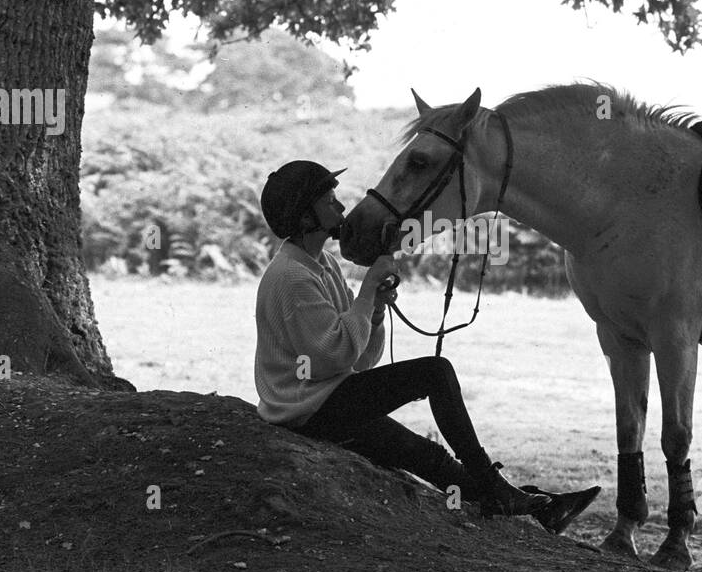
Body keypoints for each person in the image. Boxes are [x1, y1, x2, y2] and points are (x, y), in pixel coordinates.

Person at [253, 159, 600, 533]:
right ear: (305, 217)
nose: (339, 207)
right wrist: (367, 292)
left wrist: (374, 312)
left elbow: (355, 361)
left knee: (430, 457)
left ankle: (535, 507)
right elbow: (333, 357)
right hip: (309, 412)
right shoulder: (292, 277)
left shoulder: (321, 265)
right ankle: (502, 490)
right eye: (328, 200)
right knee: (434, 372)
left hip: (325, 400)